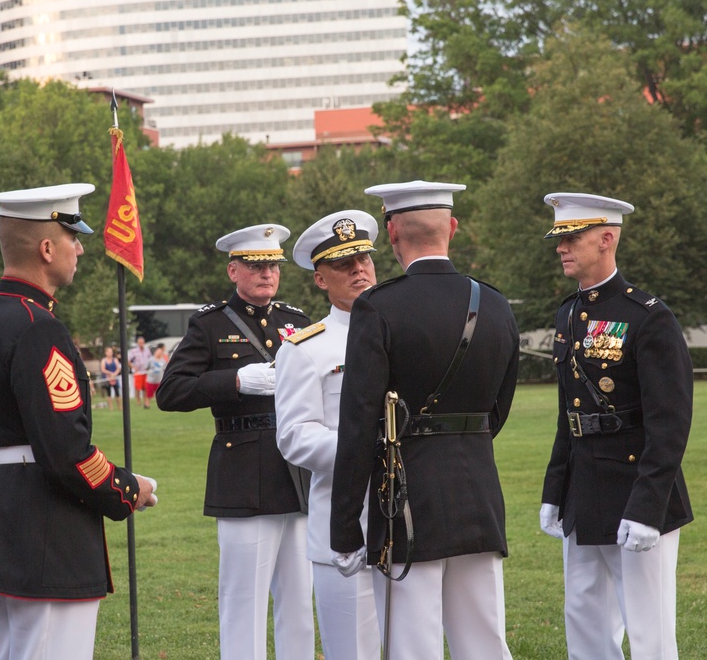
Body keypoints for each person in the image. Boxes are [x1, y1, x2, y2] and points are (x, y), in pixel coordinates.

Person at [0, 183, 157, 659]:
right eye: (74, 238)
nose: (81, 248)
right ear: (47, 248)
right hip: (47, 526)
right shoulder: (37, 327)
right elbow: (66, 451)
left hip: (11, 511)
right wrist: (127, 488)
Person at [331, 181, 519, 660]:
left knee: (412, 643)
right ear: (452, 228)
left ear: (392, 233)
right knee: (484, 640)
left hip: (406, 498)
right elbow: (499, 408)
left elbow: (358, 423)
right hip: (477, 488)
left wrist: (344, 528)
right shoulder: (495, 304)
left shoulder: (378, 307)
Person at [538, 193, 693, 660]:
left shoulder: (648, 317)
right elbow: (570, 414)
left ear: (606, 238)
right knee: (584, 618)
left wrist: (647, 507)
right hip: (583, 493)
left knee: (649, 631)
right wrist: (553, 490)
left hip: (635, 489)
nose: (561, 247)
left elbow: (669, 424)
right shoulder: (567, 314)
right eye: (559, 238)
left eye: (572, 237)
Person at [157, 224, 314, 660]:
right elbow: (170, 392)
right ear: (234, 270)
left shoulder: (297, 322)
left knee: (300, 601)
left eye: (273, 266)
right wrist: (236, 381)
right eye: (255, 265)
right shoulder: (209, 325)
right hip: (243, 472)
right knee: (244, 599)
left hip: (297, 469)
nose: (267, 273)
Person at [275, 210, 380, 660]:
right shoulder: (305, 348)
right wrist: (367, 450)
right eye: (343, 263)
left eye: (364, 259)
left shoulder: (406, 333)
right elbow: (295, 436)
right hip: (345, 518)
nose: (359, 269)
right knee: (352, 650)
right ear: (320, 280)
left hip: (412, 516)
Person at [128, 335, 152, 409]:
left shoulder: (147, 350)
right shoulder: (134, 351)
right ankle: (138, 401)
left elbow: (150, 359)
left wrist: (149, 367)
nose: (141, 344)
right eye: (140, 343)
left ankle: (145, 401)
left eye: (142, 342)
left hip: (145, 371)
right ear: (137, 343)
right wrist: (133, 367)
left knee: (145, 387)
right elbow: (128, 360)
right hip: (138, 372)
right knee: (138, 388)